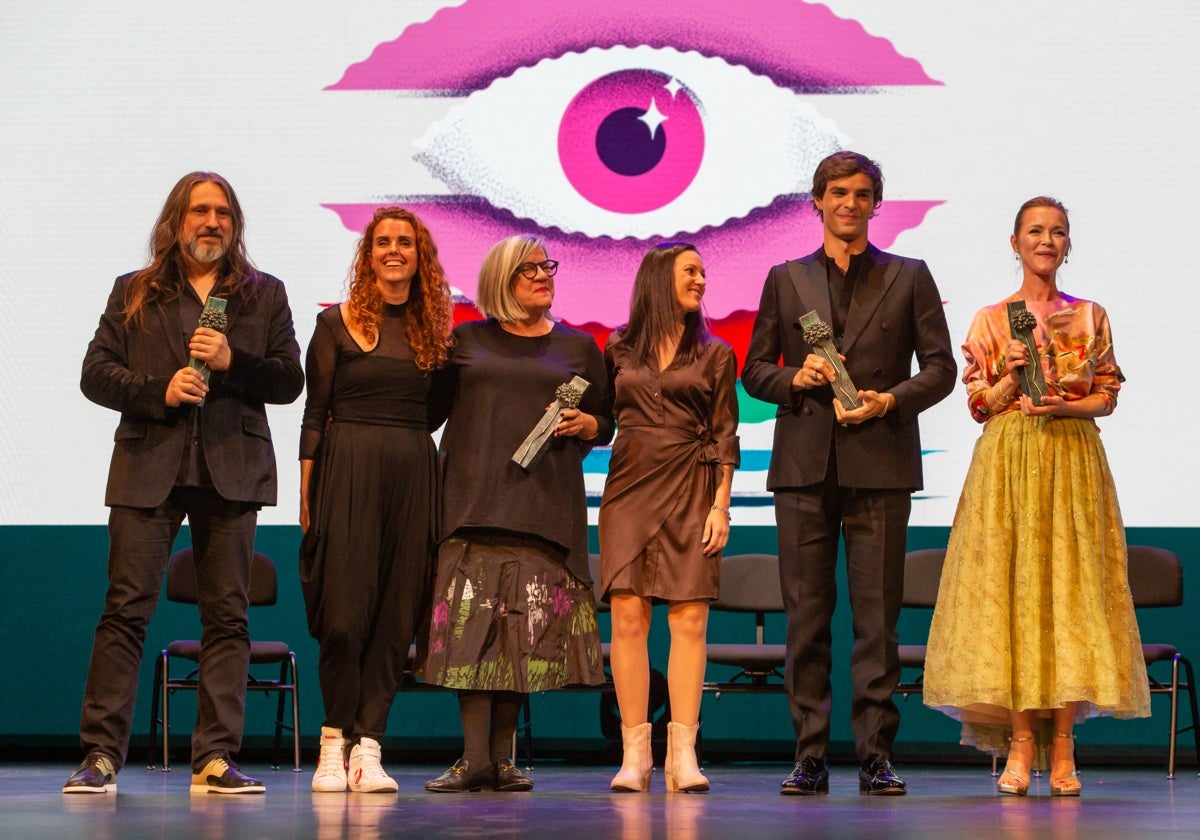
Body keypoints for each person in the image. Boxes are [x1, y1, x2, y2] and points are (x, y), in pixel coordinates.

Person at [64, 172, 304, 795]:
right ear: (176, 221)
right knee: (124, 613)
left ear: (235, 224)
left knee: (228, 618)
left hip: (231, 470)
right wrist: (157, 391)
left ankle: (215, 758)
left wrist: (233, 364)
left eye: (223, 213)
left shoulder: (262, 294)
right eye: (200, 211)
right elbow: (95, 373)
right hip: (150, 468)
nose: (213, 223)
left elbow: (287, 381)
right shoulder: (134, 292)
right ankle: (101, 757)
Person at [741, 151, 956, 795]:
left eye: (863, 195)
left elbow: (941, 369)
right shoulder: (786, 278)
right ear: (817, 202)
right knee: (805, 617)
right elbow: (754, 369)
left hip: (881, 462)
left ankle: (874, 755)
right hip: (805, 465)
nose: (850, 204)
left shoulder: (909, 275)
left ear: (875, 205)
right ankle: (808, 753)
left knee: (877, 621)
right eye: (838, 193)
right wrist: (792, 377)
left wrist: (891, 400)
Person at [922, 196, 1150, 797]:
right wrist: (1004, 378)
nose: (1046, 241)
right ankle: (1022, 744)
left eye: (1057, 233)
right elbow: (975, 405)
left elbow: (1108, 393)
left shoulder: (1092, 315)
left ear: (1067, 245)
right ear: (1015, 242)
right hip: (1010, 463)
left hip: (1072, 458)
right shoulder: (991, 320)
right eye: (1035, 231)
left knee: (1072, 596)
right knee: (1014, 596)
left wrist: (1065, 404)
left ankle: (1066, 747)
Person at [422, 235, 613, 793]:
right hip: (472, 501)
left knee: (519, 636)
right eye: (528, 269)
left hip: (544, 506)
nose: (541, 275)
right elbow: (430, 411)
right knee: (469, 635)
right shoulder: (465, 338)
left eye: (545, 266)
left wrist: (591, 427)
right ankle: (474, 758)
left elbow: (605, 417)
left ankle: (500, 761)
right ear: (500, 280)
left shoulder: (579, 347)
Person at [298, 206, 453, 793]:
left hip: (413, 471)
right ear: (368, 254)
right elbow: (315, 413)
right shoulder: (334, 325)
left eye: (405, 242)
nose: (394, 250)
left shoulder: (434, 333)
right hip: (347, 469)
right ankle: (333, 742)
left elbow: (436, 410)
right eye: (383, 241)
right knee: (342, 617)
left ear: (420, 255)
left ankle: (370, 746)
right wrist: (309, 497)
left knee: (395, 616)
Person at [599, 243, 739, 793]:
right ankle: (635, 755)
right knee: (628, 618)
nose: (701, 280)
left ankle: (683, 756)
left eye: (704, 271)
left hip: (692, 482)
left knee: (690, 620)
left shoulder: (716, 354)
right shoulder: (617, 347)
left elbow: (726, 432)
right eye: (691, 271)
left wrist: (721, 504)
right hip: (629, 486)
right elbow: (599, 415)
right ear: (660, 278)